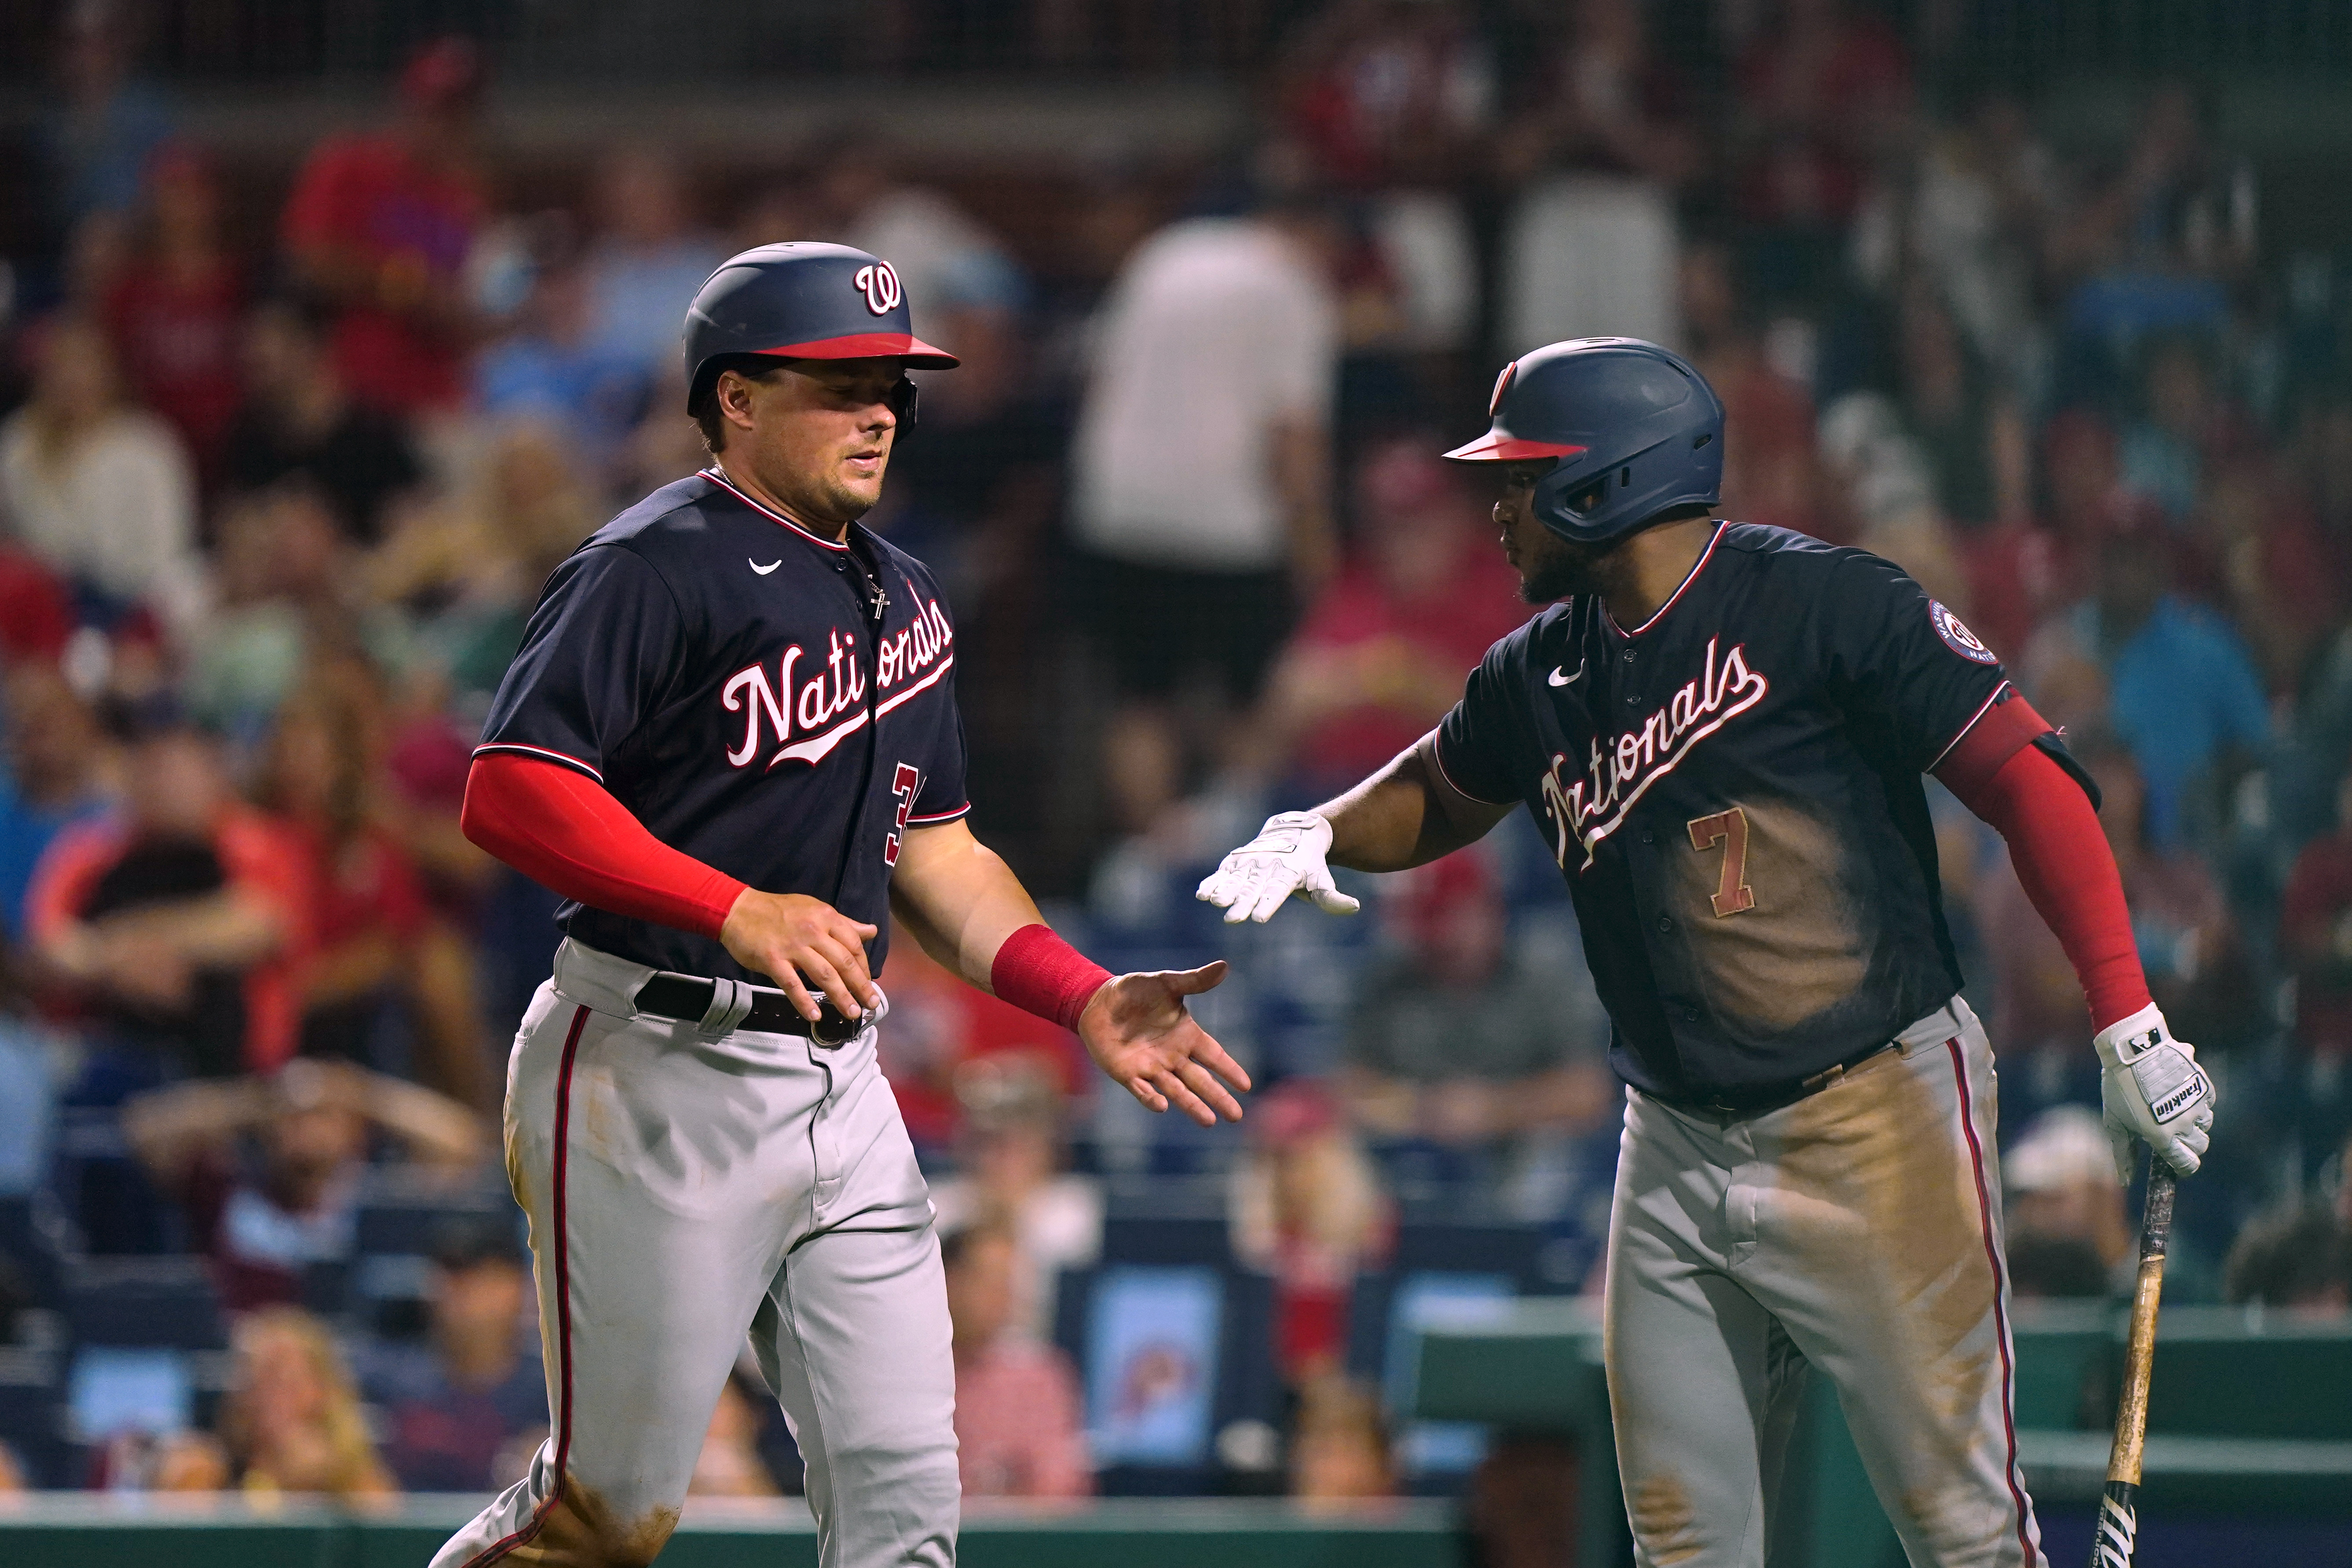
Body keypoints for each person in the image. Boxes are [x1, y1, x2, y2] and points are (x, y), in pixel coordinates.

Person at [1198, 337, 2217, 1567]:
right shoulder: (1544, 667)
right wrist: (1323, 825)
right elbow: (1443, 784)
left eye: (1520, 477)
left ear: (1601, 483)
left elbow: (2027, 778)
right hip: (1673, 1137)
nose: (1497, 505)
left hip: (1873, 1117)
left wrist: (2126, 1017)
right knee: (1684, 1547)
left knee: (1963, 1535)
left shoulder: (1824, 600)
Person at [435, 242, 1250, 1568]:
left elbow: (939, 854)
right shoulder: (653, 564)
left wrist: (1078, 991)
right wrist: (731, 907)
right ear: (737, 398)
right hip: (654, 1063)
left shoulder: (905, 591)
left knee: (907, 1507)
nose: (880, 408)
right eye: (838, 382)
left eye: (891, 384)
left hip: (841, 1084)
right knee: (603, 1520)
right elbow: (513, 791)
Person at [1068, 195, 1341, 833]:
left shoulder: (1164, 254)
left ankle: (1151, 862)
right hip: (1229, 528)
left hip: (1118, 513)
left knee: (1141, 701)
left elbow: (1101, 381)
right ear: (1315, 232)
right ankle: (1246, 855)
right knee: (1255, 701)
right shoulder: (1292, 285)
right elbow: (1293, 437)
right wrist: (1314, 548)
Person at [278, 36, 489, 417]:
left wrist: (455, 310)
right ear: (406, 102)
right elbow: (308, 260)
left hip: (436, 395)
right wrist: (404, 284)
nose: (442, 125)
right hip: (349, 392)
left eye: (456, 112)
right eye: (432, 109)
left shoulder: (463, 197)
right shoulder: (350, 163)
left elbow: (462, 299)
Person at [361, 1218, 549, 1493]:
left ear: (518, 1288)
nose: (461, 1291)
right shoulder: (384, 1387)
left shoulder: (551, 1394)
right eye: (449, 1274)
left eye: (480, 1276)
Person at [940, 1220, 1090, 1499]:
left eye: (1008, 1282)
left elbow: (1060, 1490)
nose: (1003, 1296)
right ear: (946, 1280)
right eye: (988, 1280)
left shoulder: (1041, 1379)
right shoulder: (903, 1376)